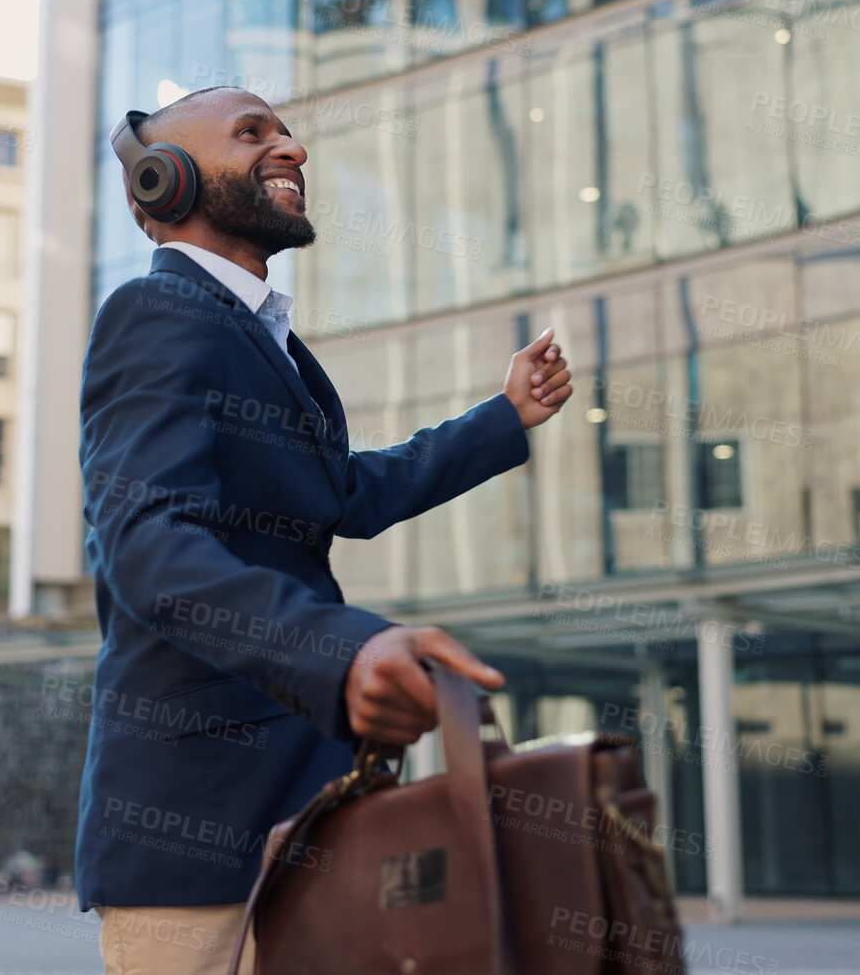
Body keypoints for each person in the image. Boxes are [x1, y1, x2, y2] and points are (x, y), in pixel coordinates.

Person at [76, 86, 573, 975]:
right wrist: (344, 651)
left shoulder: (262, 339)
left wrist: (501, 418)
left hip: (298, 808)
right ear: (165, 178)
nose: (292, 149)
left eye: (289, 132)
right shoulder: (154, 315)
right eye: (253, 132)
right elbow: (148, 544)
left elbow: (341, 494)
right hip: (200, 826)